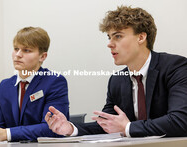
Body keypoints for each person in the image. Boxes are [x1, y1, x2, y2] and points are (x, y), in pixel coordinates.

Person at [45, 6, 187, 137]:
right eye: (109, 37)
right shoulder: (117, 80)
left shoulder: (176, 67)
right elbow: (107, 125)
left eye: (118, 36)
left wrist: (128, 128)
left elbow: (180, 120)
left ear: (141, 37)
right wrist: (71, 128)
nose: (109, 44)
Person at [0, 27, 69, 142]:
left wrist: (6, 133)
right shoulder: (5, 86)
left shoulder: (55, 82)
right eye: (16, 49)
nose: (18, 55)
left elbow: (52, 128)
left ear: (43, 56)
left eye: (26, 50)